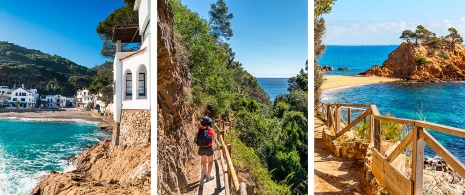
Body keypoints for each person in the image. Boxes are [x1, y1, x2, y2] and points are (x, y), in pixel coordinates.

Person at [196, 116, 215, 182]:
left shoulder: (199, 129)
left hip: (201, 148)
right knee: (210, 162)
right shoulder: (211, 130)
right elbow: (212, 139)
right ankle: (208, 176)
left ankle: (205, 174)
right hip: (209, 148)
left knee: (204, 161)